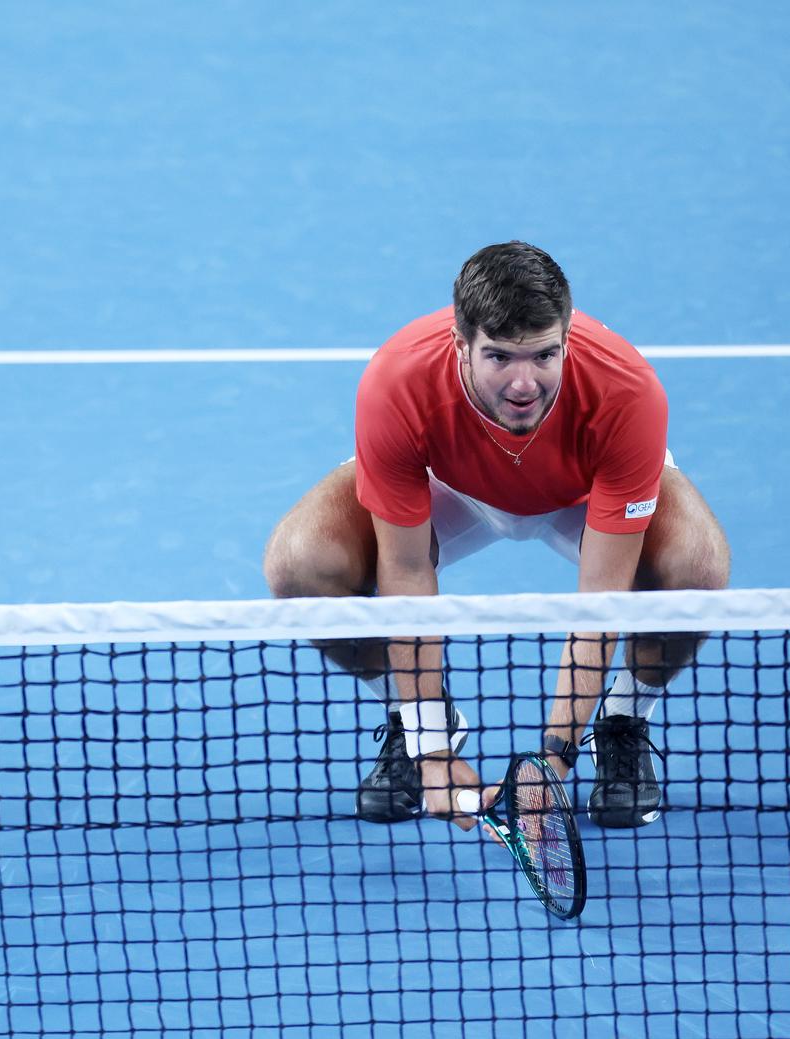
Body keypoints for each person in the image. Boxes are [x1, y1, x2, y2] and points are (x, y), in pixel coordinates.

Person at [262, 241, 730, 831]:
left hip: (579, 495)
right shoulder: (397, 383)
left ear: (567, 337)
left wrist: (553, 762)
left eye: (543, 356)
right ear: (461, 343)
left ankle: (622, 721)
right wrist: (432, 750)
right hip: (449, 485)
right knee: (301, 565)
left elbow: (600, 604)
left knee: (696, 569)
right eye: (500, 357)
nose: (524, 383)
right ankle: (413, 719)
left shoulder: (626, 393)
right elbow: (406, 570)